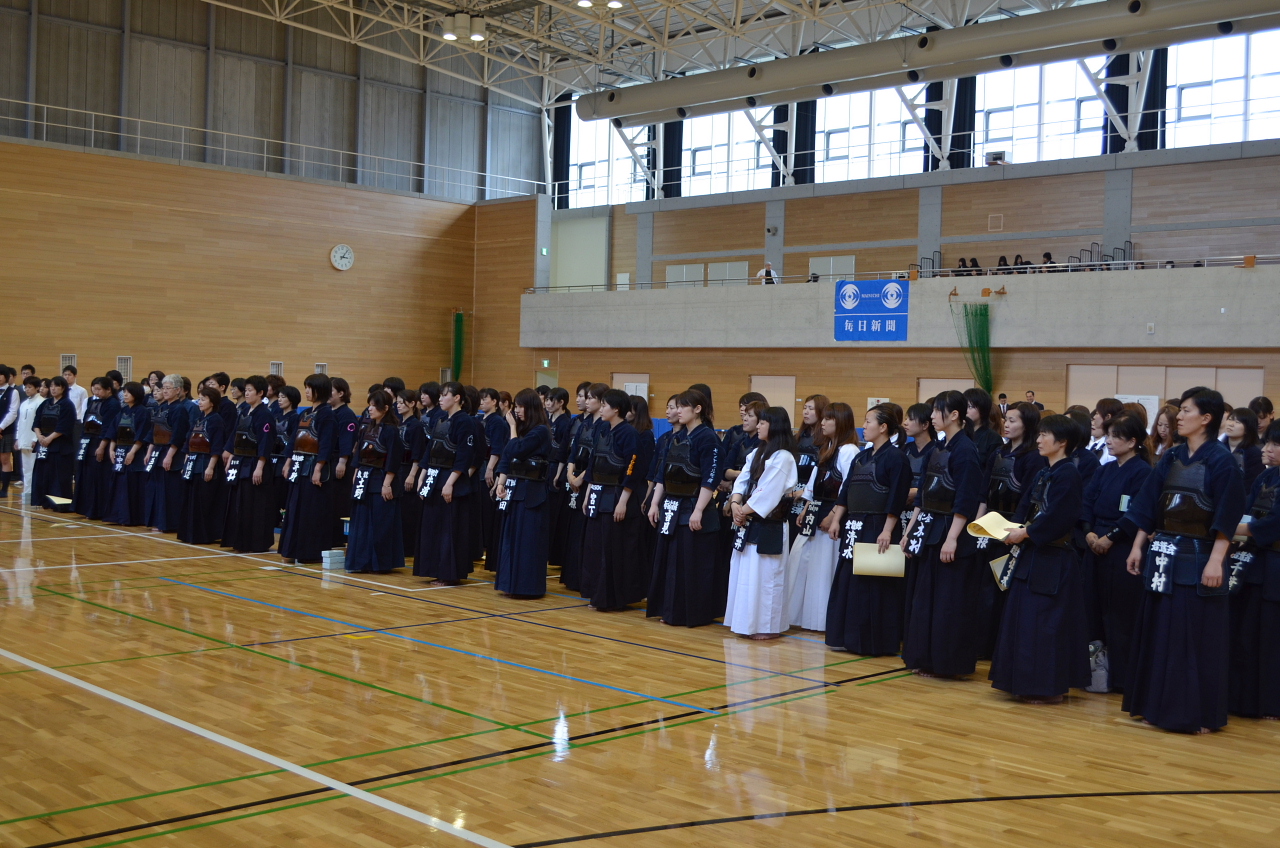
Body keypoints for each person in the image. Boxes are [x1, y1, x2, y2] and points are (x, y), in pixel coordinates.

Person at [1123, 387, 1246, 734]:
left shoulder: (1223, 462)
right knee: (1160, 631)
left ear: (1206, 418)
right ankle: (1154, 705)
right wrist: (1137, 546)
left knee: (1194, 637)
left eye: (1186, 410)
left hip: (1200, 556)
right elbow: (1148, 505)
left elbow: (1227, 514)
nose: (1179, 416)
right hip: (1162, 553)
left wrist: (1216, 561)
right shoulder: (1171, 457)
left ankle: (1198, 714)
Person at [990, 414, 1091, 704]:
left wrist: (1027, 532)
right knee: (1023, 620)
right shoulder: (1043, 472)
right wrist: (1011, 527)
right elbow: (1025, 505)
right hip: (1031, 554)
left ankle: (1049, 686)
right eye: (1039, 434)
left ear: (1062, 442)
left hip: (1054, 558)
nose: (1038, 439)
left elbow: (1061, 516)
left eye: (1045, 435)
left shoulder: (1068, 474)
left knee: (1047, 624)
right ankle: (1022, 682)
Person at [901, 391, 984, 677]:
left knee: (949, 602)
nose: (933, 416)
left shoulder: (966, 450)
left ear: (954, 416)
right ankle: (926, 658)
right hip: (930, 529)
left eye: (937, 412)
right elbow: (923, 495)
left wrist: (952, 538)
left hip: (953, 532)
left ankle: (949, 664)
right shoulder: (937, 448)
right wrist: (910, 531)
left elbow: (966, 498)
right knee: (926, 599)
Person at [824, 404, 911, 654]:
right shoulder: (861, 457)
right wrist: (838, 519)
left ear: (883, 427)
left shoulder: (896, 458)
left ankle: (875, 642)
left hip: (878, 526)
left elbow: (896, 497)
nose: (864, 426)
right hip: (854, 525)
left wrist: (887, 530)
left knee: (874, 584)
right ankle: (846, 637)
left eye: (869, 421)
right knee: (848, 580)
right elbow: (846, 491)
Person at [1081, 413, 1153, 694]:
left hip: (1122, 546)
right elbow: (1087, 501)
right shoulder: (1105, 469)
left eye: (1114, 436)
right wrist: (1088, 532)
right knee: (1092, 608)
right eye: (1107, 435)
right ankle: (1094, 673)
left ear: (1133, 441)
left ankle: (1122, 678)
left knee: (1120, 615)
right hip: (1094, 544)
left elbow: (1138, 513)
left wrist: (1110, 538)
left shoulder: (1142, 472)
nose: (1108, 441)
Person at [973, 402, 1046, 659]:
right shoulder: (998, 452)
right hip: (988, 526)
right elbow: (984, 493)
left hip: (1011, 530)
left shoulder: (1034, 458)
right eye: (1006, 419)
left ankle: (999, 648)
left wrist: (1012, 531)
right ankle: (981, 644)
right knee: (983, 589)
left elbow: (1028, 498)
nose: (1007, 423)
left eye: (1013, 420)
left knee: (1000, 589)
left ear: (1027, 424)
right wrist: (977, 526)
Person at [647, 389, 724, 627]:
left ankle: (690, 613)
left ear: (697, 409)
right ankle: (669, 609)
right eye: (676, 406)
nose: (677, 411)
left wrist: (699, 510)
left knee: (690, 563)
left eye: (682, 406)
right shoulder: (673, 437)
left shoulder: (707, 437)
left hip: (693, 505)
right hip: (671, 506)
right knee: (669, 561)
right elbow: (662, 474)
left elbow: (709, 479)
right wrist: (653, 503)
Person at [726, 406, 799, 639]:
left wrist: (743, 511)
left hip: (771, 525)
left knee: (767, 578)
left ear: (774, 426)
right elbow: (743, 480)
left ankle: (767, 627)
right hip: (748, 521)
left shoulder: (784, 457)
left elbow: (767, 492)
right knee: (746, 574)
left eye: (762, 423)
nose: (757, 426)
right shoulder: (757, 452)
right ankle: (745, 623)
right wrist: (736, 503)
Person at [786, 402, 859, 632]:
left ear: (841, 422)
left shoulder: (848, 451)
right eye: (823, 418)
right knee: (800, 560)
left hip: (832, 513)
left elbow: (848, 487)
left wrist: (834, 515)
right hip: (816, 509)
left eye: (829, 419)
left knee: (822, 568)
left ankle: (822, 620)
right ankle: (800, 617)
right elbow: (813, 484)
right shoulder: (826, 446)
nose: (823, 423)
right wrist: (807, 508)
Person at [580, 389, 649, 611]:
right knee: (595, 547)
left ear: (616, 409)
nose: (601, 409)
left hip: (618, 495)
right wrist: (589, 491)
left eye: (604, 405)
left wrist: (623, 500)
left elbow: (633, 469)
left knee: (613, 548)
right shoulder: (601, 428)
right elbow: (593, 462)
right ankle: (596, 594)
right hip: (598, 494)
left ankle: (613, 598)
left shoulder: (629, 434)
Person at [1229, 421, 1280, 718]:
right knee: (1247, 634)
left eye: (1275, 445)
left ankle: (1271, 703)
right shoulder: (1266, 476)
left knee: (1272, 639)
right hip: (1254, 563)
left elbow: (1273, 523)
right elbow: (1247, 509)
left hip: (1275, 565)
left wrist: (1240, 529)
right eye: (1267, 443)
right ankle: (1245, 699)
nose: (1267, 449)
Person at [414, 381, 476, 585]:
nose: (440, 399)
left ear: (457, 398)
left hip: (452, 481)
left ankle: (449, 574)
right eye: (439, 395)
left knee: (449, 529)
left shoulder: (465, 421)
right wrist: (422, 475)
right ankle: (433, 568)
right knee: (433, 527)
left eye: (444, 395)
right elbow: (430, 449)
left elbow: (464, 456)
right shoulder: (440, 419)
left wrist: (450, 483)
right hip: (434, 477)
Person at [494, 389, 554, 599]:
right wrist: (501, 482)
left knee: (528, 541)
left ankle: (527, 587)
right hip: (515, 488)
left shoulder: (540, 431)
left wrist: (512, 428)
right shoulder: (522, 429)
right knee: (511, 538)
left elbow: (517, 450)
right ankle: (509, 583)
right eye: (515, 406)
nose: (516, 411)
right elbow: (506, 456)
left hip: (533, 492)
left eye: (520, 406)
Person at [278, 375, 338, 564]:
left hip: (313, 467)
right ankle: (292, 548)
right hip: (298, 465)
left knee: (311, 511)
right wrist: (288, 462)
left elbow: (326, 444)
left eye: (310, 388)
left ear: (320, 390)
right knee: (295, 508)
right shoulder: (304, 414)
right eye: (306, 387)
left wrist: (319, 468)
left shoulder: (327, 414)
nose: (306, 391)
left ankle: (309, 551)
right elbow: (293, 441)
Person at [345, 389, 404, 574]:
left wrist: (387, 484)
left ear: (385, 408)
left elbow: (393, 459)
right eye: (369, 404)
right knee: (361, 523)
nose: (370, 409)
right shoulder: (366, 428)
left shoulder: (391, 431)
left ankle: (380, 563)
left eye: (374, 405)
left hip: (381, 480)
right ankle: (361, 562)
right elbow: (357, 455)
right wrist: (355, 475)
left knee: (380, 524)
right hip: (364, 480)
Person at [222, 376, 278, 554]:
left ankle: (256, 543)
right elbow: (235, 435)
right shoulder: (245, 411)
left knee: (255, 505)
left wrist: (260, 466)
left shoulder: (265, 415)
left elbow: (265, 442)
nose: (246, 393)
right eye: (245, 390)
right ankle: (240, 540)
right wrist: (229, 454)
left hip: (255, 464)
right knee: (240, 504)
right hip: (241, 463)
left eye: (250, 390)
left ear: (260, 393)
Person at [177, 386, 226, 545]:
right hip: (193, 463)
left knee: (204, 501)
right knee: (190, 499)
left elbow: (217, 446)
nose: (200, 402)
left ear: (212, 402)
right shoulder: (199, 419)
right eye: (199, 398)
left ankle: (204, 535)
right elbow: (188, 443)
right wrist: (185, 464)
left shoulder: (216, 420)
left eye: (203, 399)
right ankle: (189, 533)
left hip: (206, 463)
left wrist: (210, 467)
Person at [103, 382, 151, 525]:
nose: (124, 395)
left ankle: (131, 518)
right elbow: (113, 431)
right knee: (118, 485)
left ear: (136, 394)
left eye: (128, 392)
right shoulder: (123, 411)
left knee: (130, 486)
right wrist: (111, 449)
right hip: (120, 451)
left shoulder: (143, 411)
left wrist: (132, 452)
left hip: (134, 453)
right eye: (124, 392)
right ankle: (117, 516)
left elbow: (142, 434)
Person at [73, 376, 120, 520]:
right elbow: (85, 422)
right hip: (87, 442)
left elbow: (108, 428)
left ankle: (98, 510)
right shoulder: (92, 402)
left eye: (99, 389)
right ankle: (86, 508)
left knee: (98, 478)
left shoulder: (112, 404)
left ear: (108, 389)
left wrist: (101, 447)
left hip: (100, 443)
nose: (96, 392)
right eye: (94, 388)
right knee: (86, 476)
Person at [32, 376, 77, 512]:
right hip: (44, 445)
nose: (53, 388)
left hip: (60, 447)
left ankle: (60, 504)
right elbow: (36, 422)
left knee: (59, 478)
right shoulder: (45, 403)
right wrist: (39, 436)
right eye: (51, 386)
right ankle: (44, 501)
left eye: (56, 386)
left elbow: (64, 426)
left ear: (63, 388)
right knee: (43, 475)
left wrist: (49, 438)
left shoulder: (67, 404)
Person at [479, 387, 510, 565]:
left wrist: (490, 468)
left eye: (486, 399)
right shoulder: (479, 419)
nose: (482, 402)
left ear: (495, 402)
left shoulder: (497, 421)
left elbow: (497, 448)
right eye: (481, 399)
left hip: (489, 466)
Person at [544, 386, 573, 570]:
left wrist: (558, 472)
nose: (547, 403)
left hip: (556, 468)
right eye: (546, 399)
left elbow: (563, 450)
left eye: (551, 400)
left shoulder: (565, 422)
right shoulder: (545, 420)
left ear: (561, 402)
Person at [329, 378, 359, 543]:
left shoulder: (347, 415)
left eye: (331, 390)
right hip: (329, 460)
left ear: (341, 393)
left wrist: (342, 461)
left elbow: (348, 440)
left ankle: (339, 537)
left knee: (339, 500)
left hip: (340, 461)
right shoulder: (329, 411)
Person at [15, 377, 42, 504]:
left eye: (30, 387)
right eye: (26, 387)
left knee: (33, 469)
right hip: (23, 439)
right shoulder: (24, 403)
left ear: (37, 388)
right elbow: (20, 423)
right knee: (25, 469)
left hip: (34, 441)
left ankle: (33, 496)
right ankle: (26, 495)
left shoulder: (41, 402)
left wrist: (36, 438)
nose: (27, 389)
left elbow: (40, 423)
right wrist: (17, 438)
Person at [1224, 406, 1264, 492]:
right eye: (1230, 419)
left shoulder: (1254, 453)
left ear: (1247, 429)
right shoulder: (1217, 448)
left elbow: (1252, 485)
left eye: (1237, 422)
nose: (1231, 424)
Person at [964, 388, 1003, 469]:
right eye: (964, 406)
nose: (966, 411)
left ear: (983, 409)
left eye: (970, 407)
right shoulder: (960, 434)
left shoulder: (993, 438)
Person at [1087, 398, 1125, 465]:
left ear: (1108, 417)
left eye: (1097, 413)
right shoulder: (1095, 441)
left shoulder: (1115, 445)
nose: (1094, 417)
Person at [0, 367, 18, 498]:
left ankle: (4, 489)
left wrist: (0, 427)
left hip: (6, 431)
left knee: (5, 459)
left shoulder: (13, 392)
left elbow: (12, 413)